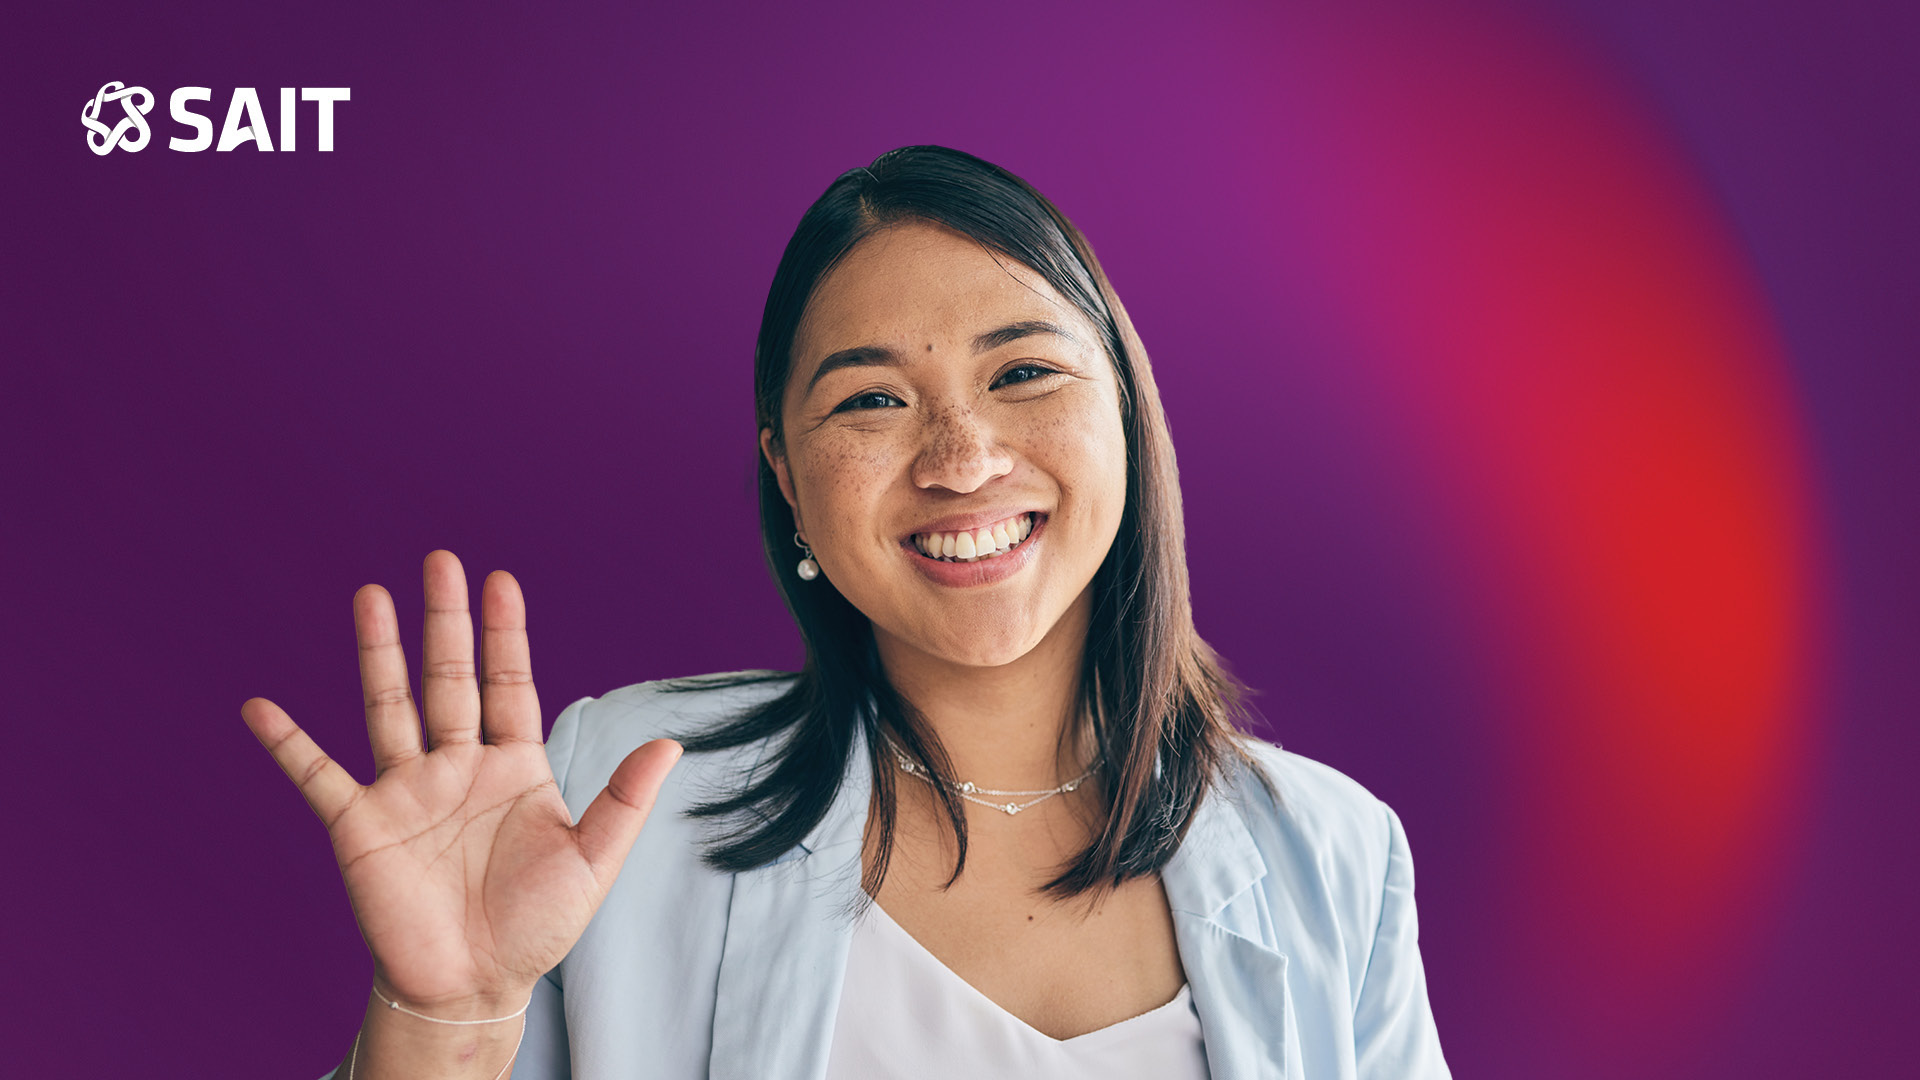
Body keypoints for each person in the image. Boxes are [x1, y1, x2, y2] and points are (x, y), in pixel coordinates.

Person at [243, 145, 1450, 1079]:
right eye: (872, 400)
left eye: (1023, 372)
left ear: (1127, 412)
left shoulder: (1334, 855)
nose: (963, 458)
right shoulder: (626, 791)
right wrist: (446, 1017)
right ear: (789, 476)